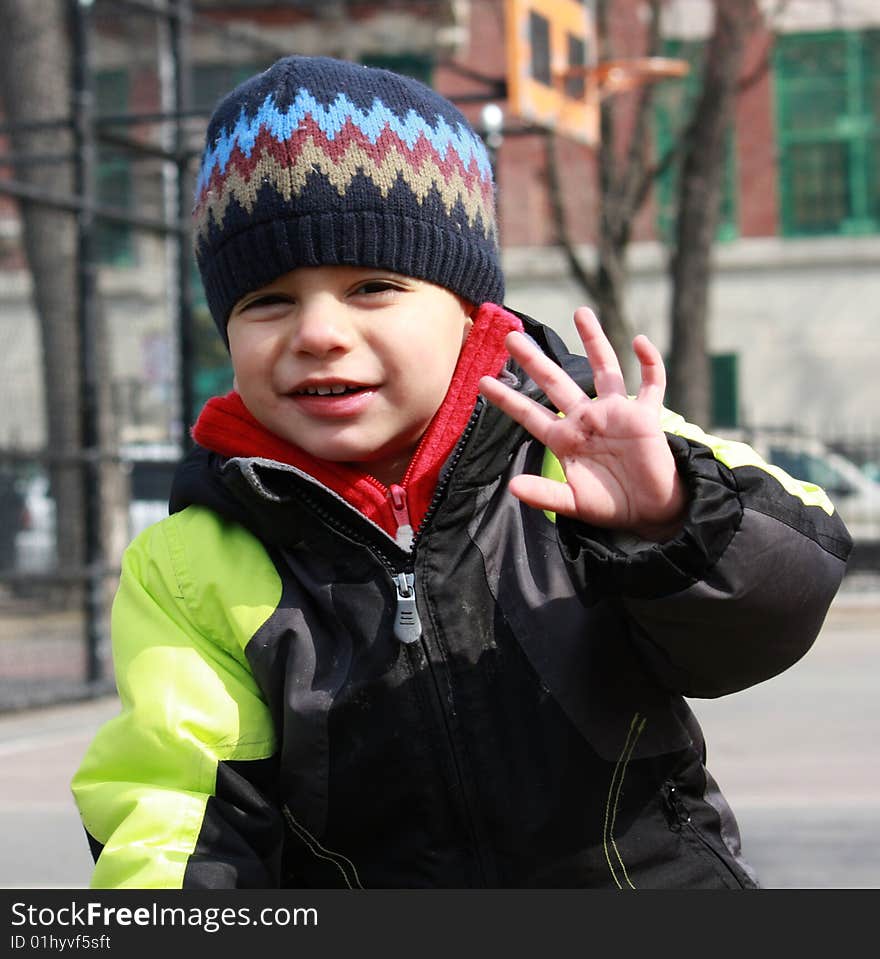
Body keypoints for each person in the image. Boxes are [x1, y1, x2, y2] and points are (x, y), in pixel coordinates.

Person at [71, 55, 852, 889]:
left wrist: (665, 516)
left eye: (373, 286)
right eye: (268, 301)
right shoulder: (191, 566)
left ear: (473, 313)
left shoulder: (588, 455)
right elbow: (174, 810)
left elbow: (786, 591)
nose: (319, 332)